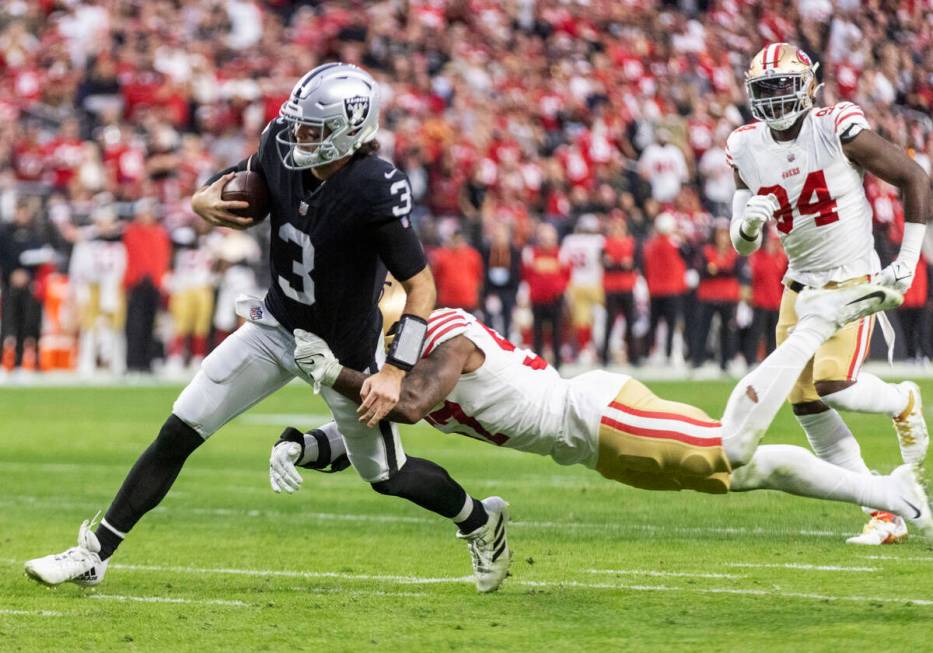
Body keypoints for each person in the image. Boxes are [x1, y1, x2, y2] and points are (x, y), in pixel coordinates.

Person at [24, 63, 509, 594]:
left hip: (343, 353)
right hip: (276, 326)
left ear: (349, 131)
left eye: (312, 129)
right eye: (297, 124)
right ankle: (95, 554)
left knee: (387, 475)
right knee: (180, 428)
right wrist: (202, 197)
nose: (297, 136)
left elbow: (421, 288)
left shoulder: (375, 186)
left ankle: (480, 521)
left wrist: (394, 371)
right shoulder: (281, 142)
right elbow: (238, 179)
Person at [274, 281, 932, 544]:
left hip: (595, 412)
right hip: (591, 444)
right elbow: (367, 434)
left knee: (731, 447)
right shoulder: (403, 363)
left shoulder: (445, 334)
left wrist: (336, 371)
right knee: (750, 471)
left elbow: (409, 405)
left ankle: (808, 331)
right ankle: (885, 489)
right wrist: (299, 445)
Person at [727, 43, 931, 544]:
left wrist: (906, 261)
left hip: (851, 279)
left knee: (832, 383)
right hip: (797, 286)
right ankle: (884, 512)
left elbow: (914, 178)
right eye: (765, 89)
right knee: (804, 404)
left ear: (809, 85)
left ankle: (901, 401)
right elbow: (741, 243)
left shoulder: (835, 126)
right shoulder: (744, 146)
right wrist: (747, 226)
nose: (775, 98)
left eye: (783, 85)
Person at [693, 220, 741, 372]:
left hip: (728, 296)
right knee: (703, 329)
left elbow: (735, 271)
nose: (723, 238)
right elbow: (703, 271)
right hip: (708, 295)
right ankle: (698, 360)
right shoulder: (706, 251)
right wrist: (719, 270)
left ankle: (726, 361)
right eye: (720, 234)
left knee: (727, 330)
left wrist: (716, 270)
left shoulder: (734, 253)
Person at [522, 222, 569, 369]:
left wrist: (559, 290)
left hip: (555, 299)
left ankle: (558, 362)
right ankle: (538, 363)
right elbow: (526, 275)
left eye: (549, 239)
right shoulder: (531, 253)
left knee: (557, 331)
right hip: (537, 299)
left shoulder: (561, 254)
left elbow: (567, 275)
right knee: (537, 332)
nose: (546, 242)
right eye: (543, 238)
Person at [560, 213, 606, 362]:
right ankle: (595, 348)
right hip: (595, 283)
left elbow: (563, 262)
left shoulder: (569, 241)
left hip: (575, 284)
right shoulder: (599, 241)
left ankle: (583, 349)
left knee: (580, 319)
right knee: (600, 317)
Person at [643, 213, 686, 364]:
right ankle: (668, 354)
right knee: (670, 324)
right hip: (671, 290)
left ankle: (649, 352)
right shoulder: (675, 244)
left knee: (653, 324)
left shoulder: (650, 245)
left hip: (655, 289)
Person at [600, 216, 640, 366]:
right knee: (609, 322)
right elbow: (605, 262)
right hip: (611, 287)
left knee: (630, 322)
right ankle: (604, 355)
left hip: (626, 286)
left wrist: (622, 264)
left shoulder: (630, 243)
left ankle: (634, 356)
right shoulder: (606, 243)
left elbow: (634, 262)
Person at [480, 222, 521, 342]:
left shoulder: (514, 252)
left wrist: (515, 292)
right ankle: (490, 343)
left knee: (507, 320)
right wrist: (487, 292)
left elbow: (517, 272)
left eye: (501, 235)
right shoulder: (486, 251)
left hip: (508, 290)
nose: (498, 238)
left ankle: (506, 343)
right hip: (492, 290)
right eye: (496, 235)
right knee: (489, 319)